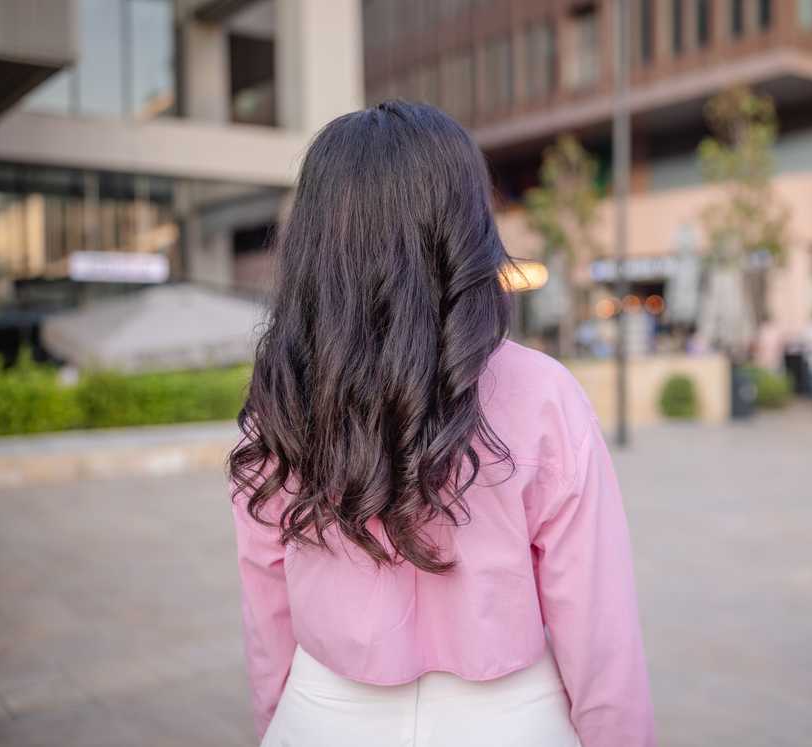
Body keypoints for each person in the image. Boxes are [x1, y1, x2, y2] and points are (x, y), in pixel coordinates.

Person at [228, 102, 655, 747]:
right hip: (511, 718)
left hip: (324, 710)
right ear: (466, 227)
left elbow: (266, 607)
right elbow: (598, 623)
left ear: (313, 239)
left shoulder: (281, 396)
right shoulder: (544, 393)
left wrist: (279, 719)